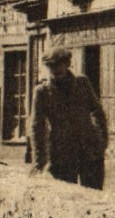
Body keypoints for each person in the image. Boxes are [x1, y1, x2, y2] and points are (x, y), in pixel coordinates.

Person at [30, 44, 108, 189]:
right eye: (51, 67)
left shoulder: (82, 83)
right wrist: (39, 161)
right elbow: (37, 127)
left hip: (89, 149)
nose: (55, 70)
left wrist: (101, 141)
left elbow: (97, 111)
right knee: (65, 197)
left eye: (59, 66)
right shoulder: (42, 92)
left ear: (67, 64)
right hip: (61, 153)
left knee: (93, 197)